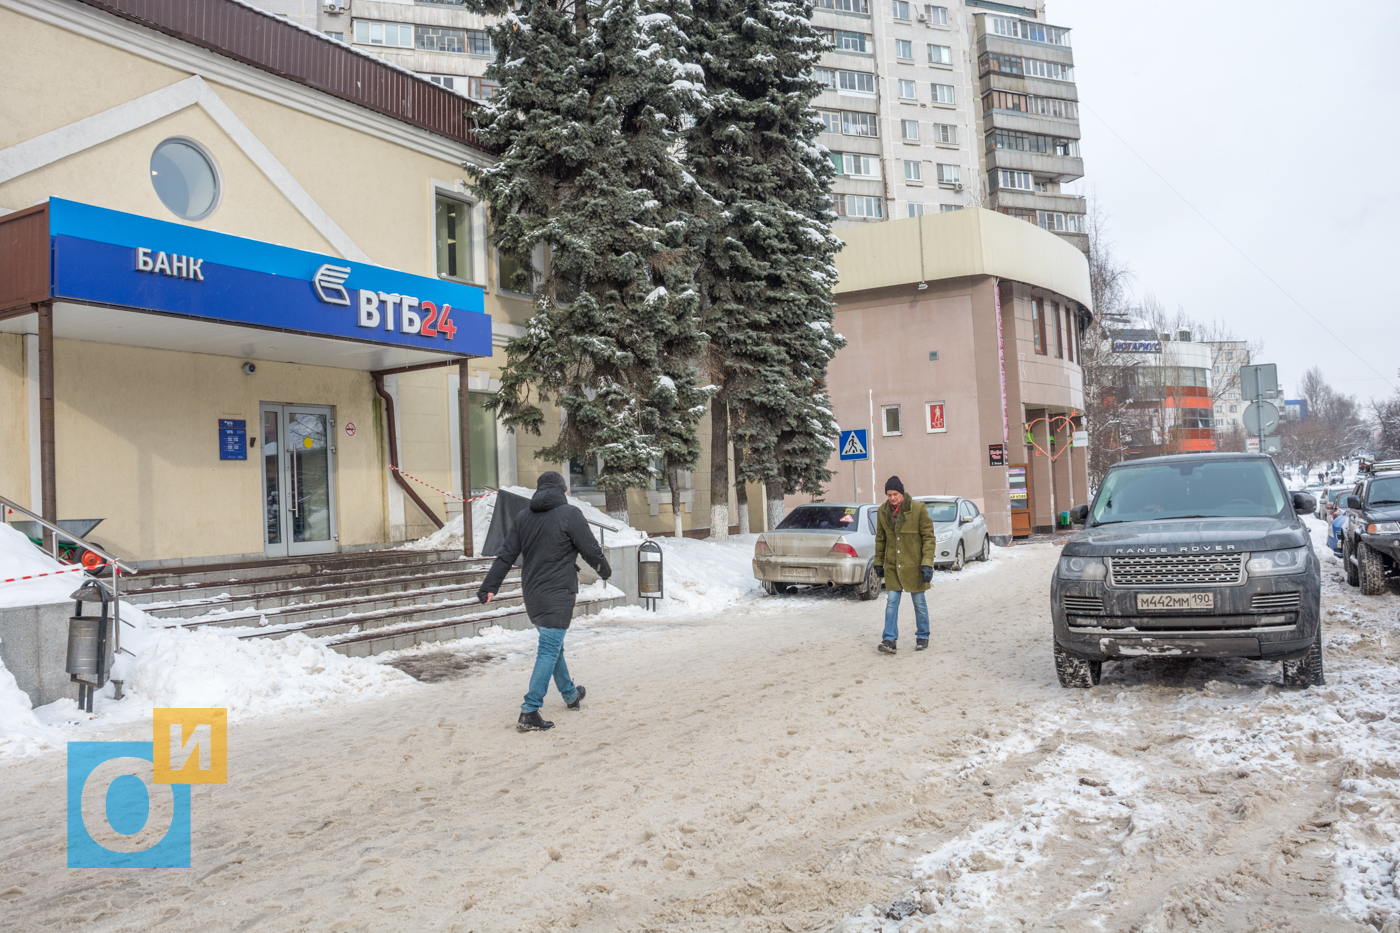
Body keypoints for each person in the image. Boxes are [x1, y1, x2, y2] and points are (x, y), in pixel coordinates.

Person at [477, 471, 611, 732]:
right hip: (558, 594)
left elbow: (506, 556)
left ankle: (571, 695)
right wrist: (604, 570)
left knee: (554, 646)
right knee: (549, 650)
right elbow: (591, 548)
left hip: (532, 594)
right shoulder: (569, 514)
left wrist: (489, 586)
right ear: (562, 492)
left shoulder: (523, 516)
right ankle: (530, 710)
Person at [872, 476, 935, 654]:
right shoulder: (882, 512)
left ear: (902, 493)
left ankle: (923, 635)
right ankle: (889, 639)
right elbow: (880, 539)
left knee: (919, 602)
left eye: (895, 494)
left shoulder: (917, 509)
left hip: (914, 566)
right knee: (891, 601)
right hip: (892, 565)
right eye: (889, 494)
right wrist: (878, 562)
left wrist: (927, 564)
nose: (892, 497)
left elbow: (929, 538)